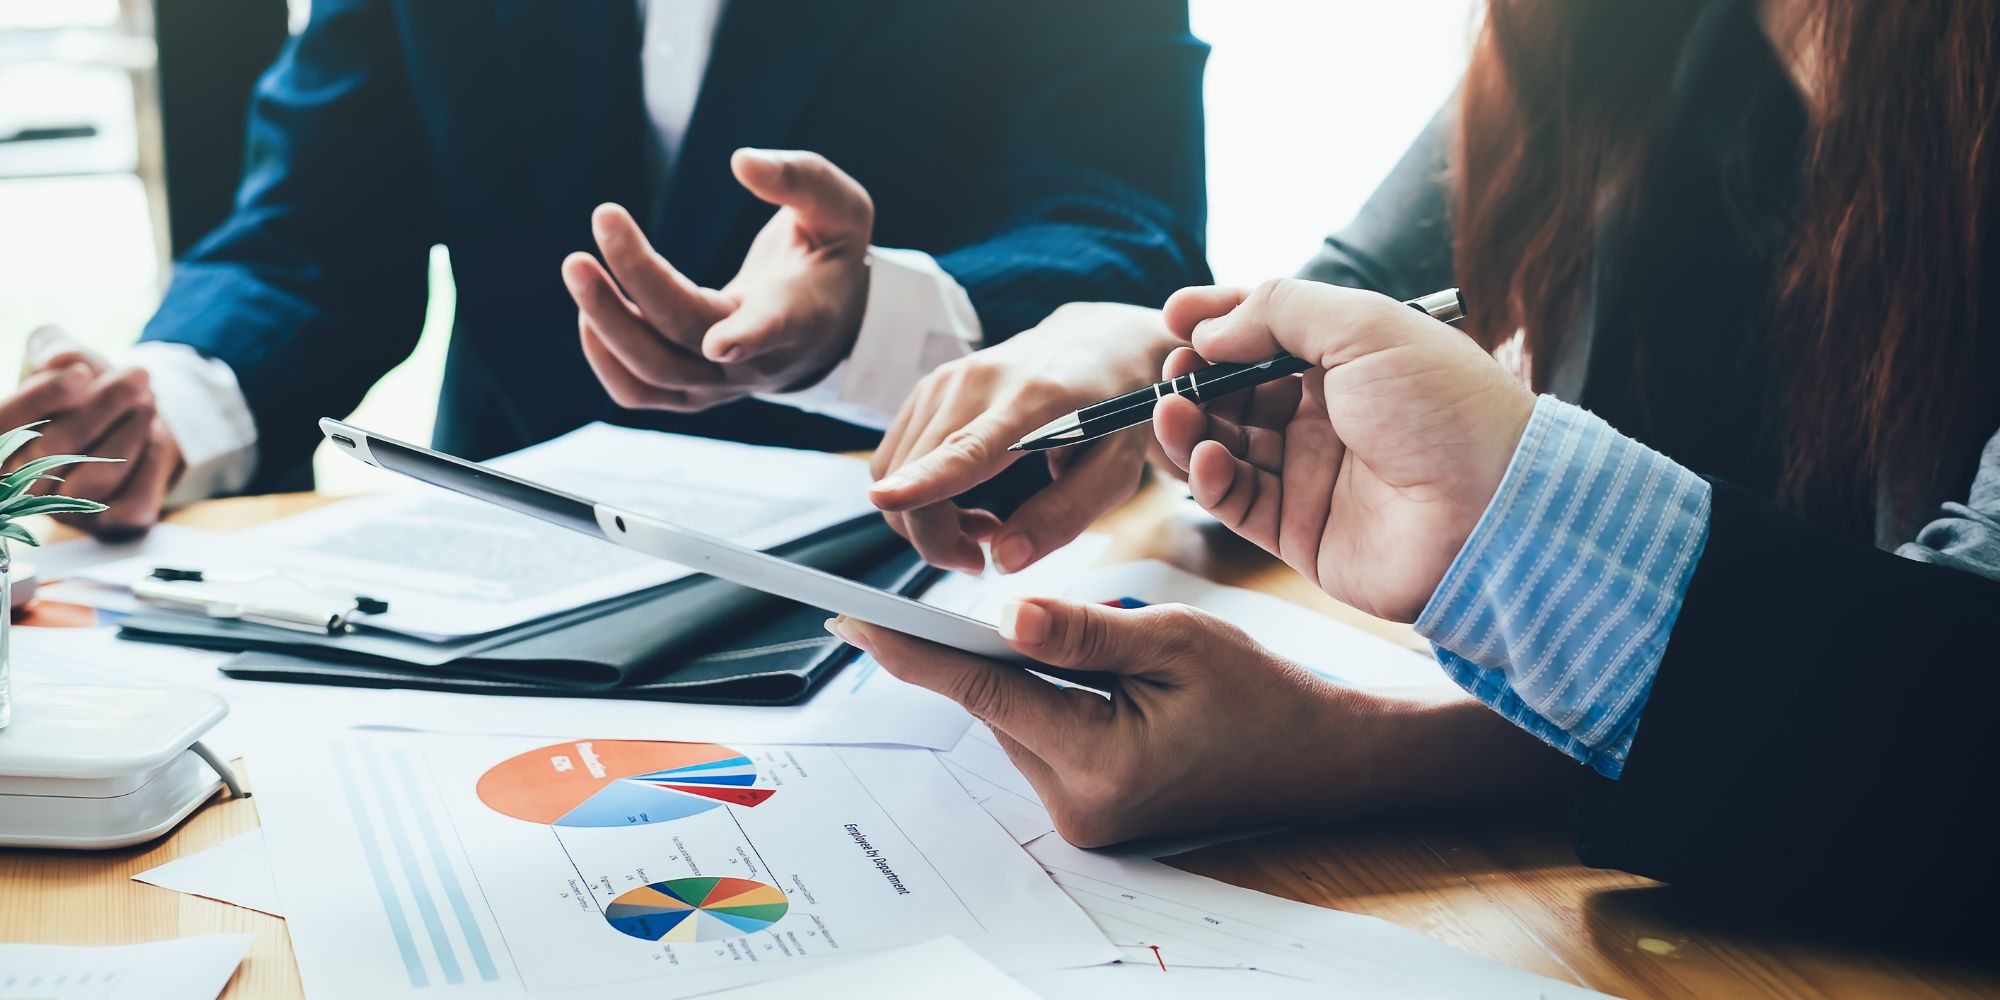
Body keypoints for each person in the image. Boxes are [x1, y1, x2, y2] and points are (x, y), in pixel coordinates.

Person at [854, 0, 2000, 936]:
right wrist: (1130, 349)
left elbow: (1954, 729)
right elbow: (1339, 296)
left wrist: (1361, 748)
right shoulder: (1591, 29)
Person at [0, 0, 1207, 536]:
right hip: (498, 571)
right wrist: (164, 406)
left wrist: (863, 320)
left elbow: (1123, 229)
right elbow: (312, 230)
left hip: (918, 571)